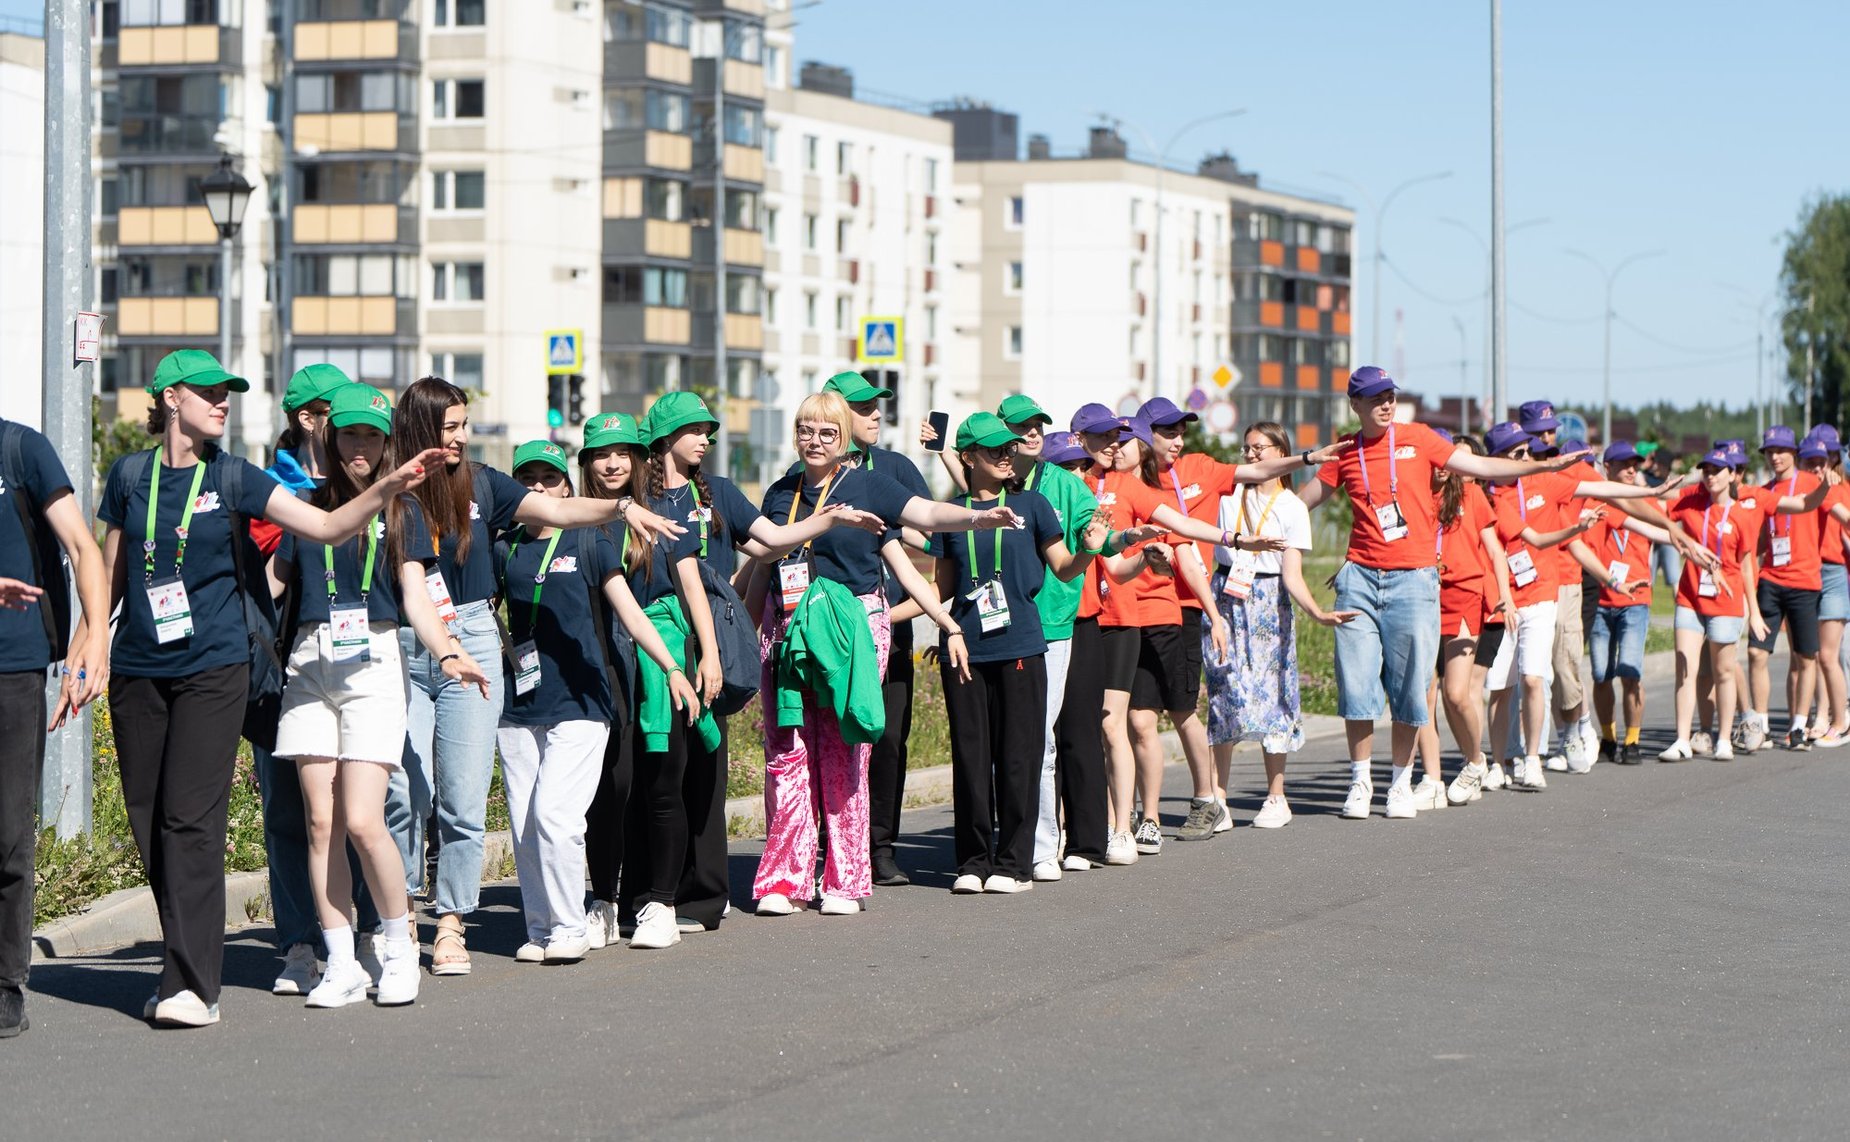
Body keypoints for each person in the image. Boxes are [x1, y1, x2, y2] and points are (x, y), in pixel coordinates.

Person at [97, 349, 445, 1027]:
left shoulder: (248, 479)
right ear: (170, 398)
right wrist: (89, 643)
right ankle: (327, 957)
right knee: (295, 821)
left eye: (228, 393)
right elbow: (116, 564)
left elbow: (351, 545)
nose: (223, 401)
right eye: (210, 391)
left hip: (299, 664)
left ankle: (385, 947)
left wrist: (447, 644)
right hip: (254, 665)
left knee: (348, 818)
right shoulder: (132, 475)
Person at [384, 377, 683, 978]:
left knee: (470, 804)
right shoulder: (393, 488)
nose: (463, 438)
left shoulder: (484, 485)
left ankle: (452, 925)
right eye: (451, 428)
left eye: (466, 426)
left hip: (471, 641)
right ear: (420, 428)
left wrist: (621, 507)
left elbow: (560, 511)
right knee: (404, 794)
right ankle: (400, 918)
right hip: (403, 639)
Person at [750, 390, 1019, 916]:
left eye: (827, 431)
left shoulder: (869, 484)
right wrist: (734, 632)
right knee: (787, 754)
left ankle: (845, 880)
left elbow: (923, 516)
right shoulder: (781, 491)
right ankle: (785, 879)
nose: (814, 440)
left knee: (844, 751)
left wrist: (978, 520)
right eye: (806, 429)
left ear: (843, 438)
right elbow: (764, 561)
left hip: (852, 630)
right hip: (788, 632)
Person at [1297, 369, 1601, 821]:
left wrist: (1540, 465)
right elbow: (1304, 501)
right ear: (1355, 405)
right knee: (1357, 684)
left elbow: (1481, 466)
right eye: (1374, 398)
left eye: (1390, 395)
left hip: (1413, 579)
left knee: (1410, 687)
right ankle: (1360, 781)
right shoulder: (1346, 450)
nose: (1385, 403)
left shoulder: (1420, 438)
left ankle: (1400, 782)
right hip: (1359, 576)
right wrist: (1255, 515)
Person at [267, 383, 473, 1009]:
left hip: (374, 662)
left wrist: (446, 650)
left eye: (371, 436)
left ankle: (397, 946)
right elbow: (272, 587)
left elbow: (415, 597)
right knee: (320, 822)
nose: (360, 446)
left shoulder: (403, 511)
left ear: (387, 444)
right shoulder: (302, 505)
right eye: (349, 434)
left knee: (362, 818)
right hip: (308, 662)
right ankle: (340, 960)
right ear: (330, 438)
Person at [497, 441, 700, 961]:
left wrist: (672, 667)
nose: (539, 488)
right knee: (523, 824)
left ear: (566, 486)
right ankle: (540, 927)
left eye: (549, 478)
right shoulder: (505, 546)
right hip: (521, 706)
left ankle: (570, 925)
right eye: (528, 479)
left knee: (556, 815)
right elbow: (484, 615)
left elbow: (630, 613)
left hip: (582, 701)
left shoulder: (586, 542)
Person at [929, 413, 1105, 893]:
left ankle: (1013, 865)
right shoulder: (951, 513)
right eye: (994, 450)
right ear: (968, 457)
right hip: (966, 648)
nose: (1007, 455)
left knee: (1018, 757)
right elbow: (942, 590)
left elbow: (1066, 570)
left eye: (1009, 448)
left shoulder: (1034, 504)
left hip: (1023, 644)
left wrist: (1088, 549)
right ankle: (971, 862)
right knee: (970, 758)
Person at [248, 361, 358, 998]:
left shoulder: (368, 484)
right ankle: (296, 943)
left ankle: (364, 931)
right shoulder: (268, 487)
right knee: (289, 812)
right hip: (284, 667)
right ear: (308, 419)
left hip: (362, 668)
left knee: (368, 807)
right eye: (332, 411)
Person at [0, 417, 110, 1038]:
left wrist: (91, 643)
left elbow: (82, 547)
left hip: (12, 667)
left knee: (8, 833)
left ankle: (6, 982)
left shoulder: (21, 449)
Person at [1204, 421, 1355, 829]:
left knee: (1273, 695)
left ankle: (1276, 795)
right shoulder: (1228, 494)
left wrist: (1317, 613)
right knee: (1225, 692)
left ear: (1280, 451)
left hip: (1269, 601)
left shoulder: (1290, 507)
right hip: (1226, 596)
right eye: (1247, 448)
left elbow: (1292, 575)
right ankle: (1218, 798)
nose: (1251, 455)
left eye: (1260, 448)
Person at [817, 371, 935, 890]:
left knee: (887, 736)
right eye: (862, 407)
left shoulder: (896, 468)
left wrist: (898, 532)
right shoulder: (810, 475)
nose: (874, 414)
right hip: (831, 631)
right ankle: (829, 845)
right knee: (829, 736)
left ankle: (880, 847)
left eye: (876, 406)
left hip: (889, 623)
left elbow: (931, 536)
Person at [1426, 433, 1515, 806]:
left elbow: (1495, 550)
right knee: (1422, 696)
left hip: (1463, 595)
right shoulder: (1417, 495)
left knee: (1458, 692)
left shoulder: (1472, 495)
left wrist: (1505, 594)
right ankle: (1431, 780)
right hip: (1421, 593)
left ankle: (1475, 760)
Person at [1659, 449, 1764, 761]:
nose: (1710, 475)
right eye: (1706, 469)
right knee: (1685, 667)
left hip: (1726, 599)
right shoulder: (1690, 504)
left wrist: (1754, 611)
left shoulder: (1742, 515)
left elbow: (1746, 567)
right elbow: (1658, 512)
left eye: (1718, 470)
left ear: (1731, 474)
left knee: (1724, 671)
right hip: (1690, 596)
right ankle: (1681, 739)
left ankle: (1723, 739)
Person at [1743, 427, 1834, 752]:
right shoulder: (1764, 491)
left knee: (1806, 656)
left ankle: (1798, 726)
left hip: (1805, 582)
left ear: (1793, 453)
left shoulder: (1812, 485)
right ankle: (1761, 725)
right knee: (1756, 652)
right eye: (1769, 451)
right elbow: (1758, 540)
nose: (1775, 456)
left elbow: (1836, 514)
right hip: (1770, 579)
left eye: (1781, 450)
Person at [1582, 443, 1665, 764]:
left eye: (1634, 464)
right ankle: (1608, 737)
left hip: (1635, 601)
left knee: (1630, 673)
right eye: (1623, 465)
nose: (1631, 470)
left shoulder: (1646, 502)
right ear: (1606, 467)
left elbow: (1669, 527)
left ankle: (1632, 740)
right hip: (1601, 601)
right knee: (1601, 674)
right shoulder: (1594, 503)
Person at [1800, 430, 1850, 746]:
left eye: (1825, 458)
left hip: (1837, 573)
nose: (1819, 466)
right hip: (1807, 573)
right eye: (1811, 461)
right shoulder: (1802, 492)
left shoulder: (1841, 490)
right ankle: (1822, 716)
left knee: (1836, 654)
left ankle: (1840, 719)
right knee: (1818, 653)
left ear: (1834, 458)